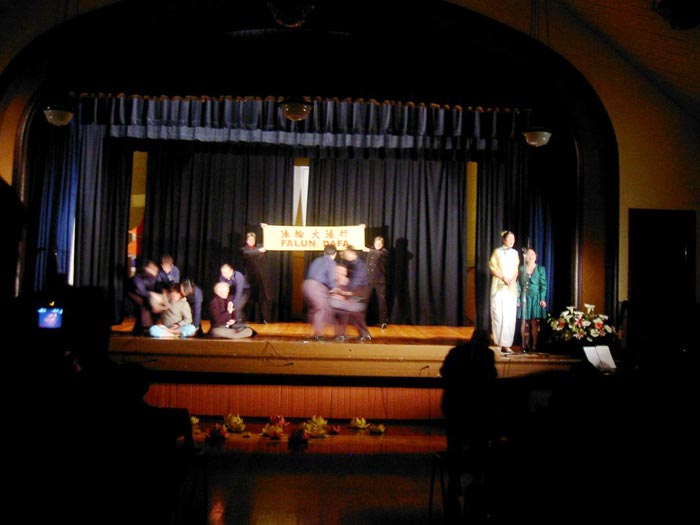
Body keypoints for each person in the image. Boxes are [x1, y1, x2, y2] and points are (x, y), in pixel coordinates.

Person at [440, 328, 498, 522]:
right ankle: (460, 480)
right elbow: (446, 373)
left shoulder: (483, 355)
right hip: (460, 407)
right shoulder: (461, 354)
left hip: (469, 409)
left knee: (473, 439)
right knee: (462, 440)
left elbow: (490, 380)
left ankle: (473, 482)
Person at [489, 230, 520, 354]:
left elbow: (516, 269)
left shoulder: (515, 253)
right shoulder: (497, 252)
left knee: (509, 317)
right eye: (510, 238)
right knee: (498, 315)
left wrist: (512, 279)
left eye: (513, 239)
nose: (512, 241)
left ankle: (506, 344)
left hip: (510, 287)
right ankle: (498, 342)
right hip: (499, 286)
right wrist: (503, 278)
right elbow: (492, 268)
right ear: (504, 240)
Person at [302, 244, 338, 341]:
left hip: (306, 285)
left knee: (315, 309)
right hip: (317, 287)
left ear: (324, 252)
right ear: (335, 254)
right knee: (321, 309)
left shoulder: (316, 260)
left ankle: (312, 331)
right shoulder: (331, 262)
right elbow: (331, 279)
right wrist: (334, 289)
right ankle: (318, 335)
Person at [328, 262, 371, 342]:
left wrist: (342, 293)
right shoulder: (332, 281)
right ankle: (340, 334)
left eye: (343, 271)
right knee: (342, 312)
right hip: (336, 304)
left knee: (354, 312)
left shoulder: (347, 282)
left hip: (349, 303)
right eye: (338, 271)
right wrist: (332, 293)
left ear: (346, 272)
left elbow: (353, 294)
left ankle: (364, 334)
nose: (340, 273)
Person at [517, 247, 548, 352]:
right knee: (524, 322)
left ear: (536, 257)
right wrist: (518, 299)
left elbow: (543, 285)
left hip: (536, 298)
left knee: (534, 322)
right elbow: (518, 284)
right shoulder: (521, 269)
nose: (530, 256)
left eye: (532, 254)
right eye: (528, 254)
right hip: (524, 297)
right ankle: (524, 344)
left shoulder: (540, 269)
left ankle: (534, 345)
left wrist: (542, 299)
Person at [240, 230, 273, 324]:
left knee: (263, 299)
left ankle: (266, 319)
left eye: (253, 239)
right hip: (251, 278)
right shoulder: (244, 250)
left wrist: (265, 229)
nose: (252, 241)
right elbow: (248, 254)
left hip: (261, 278)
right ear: (247, 240)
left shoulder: (259, 246)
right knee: (247, 298)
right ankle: (242, 318)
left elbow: (269, 242)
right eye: (250, 239)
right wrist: (259, 251)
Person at [126, 259, 162, 335]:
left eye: (154, 269)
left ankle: (145, 329)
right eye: (150, 268)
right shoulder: (138, 278)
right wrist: (152, 295)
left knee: (151, 307)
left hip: (147, 297)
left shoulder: (156, 278)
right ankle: (145, 328)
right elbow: (142, 291)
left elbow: (159, 290)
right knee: (145, 305)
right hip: (134, 293)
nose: (153, 271)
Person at [363, 235, 389, 329]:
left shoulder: (384, 252)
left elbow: (378, 254)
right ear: (374, 244)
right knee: (365, 300)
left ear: (382, 245)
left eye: (380, 244)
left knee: (382, 300)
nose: (378, 245)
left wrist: (369, 250)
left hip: (379, 280)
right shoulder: (372, 250)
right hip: (369, 279)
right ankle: (362, 320)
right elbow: (362, 244)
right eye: (376, 243)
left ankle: (383, 321)